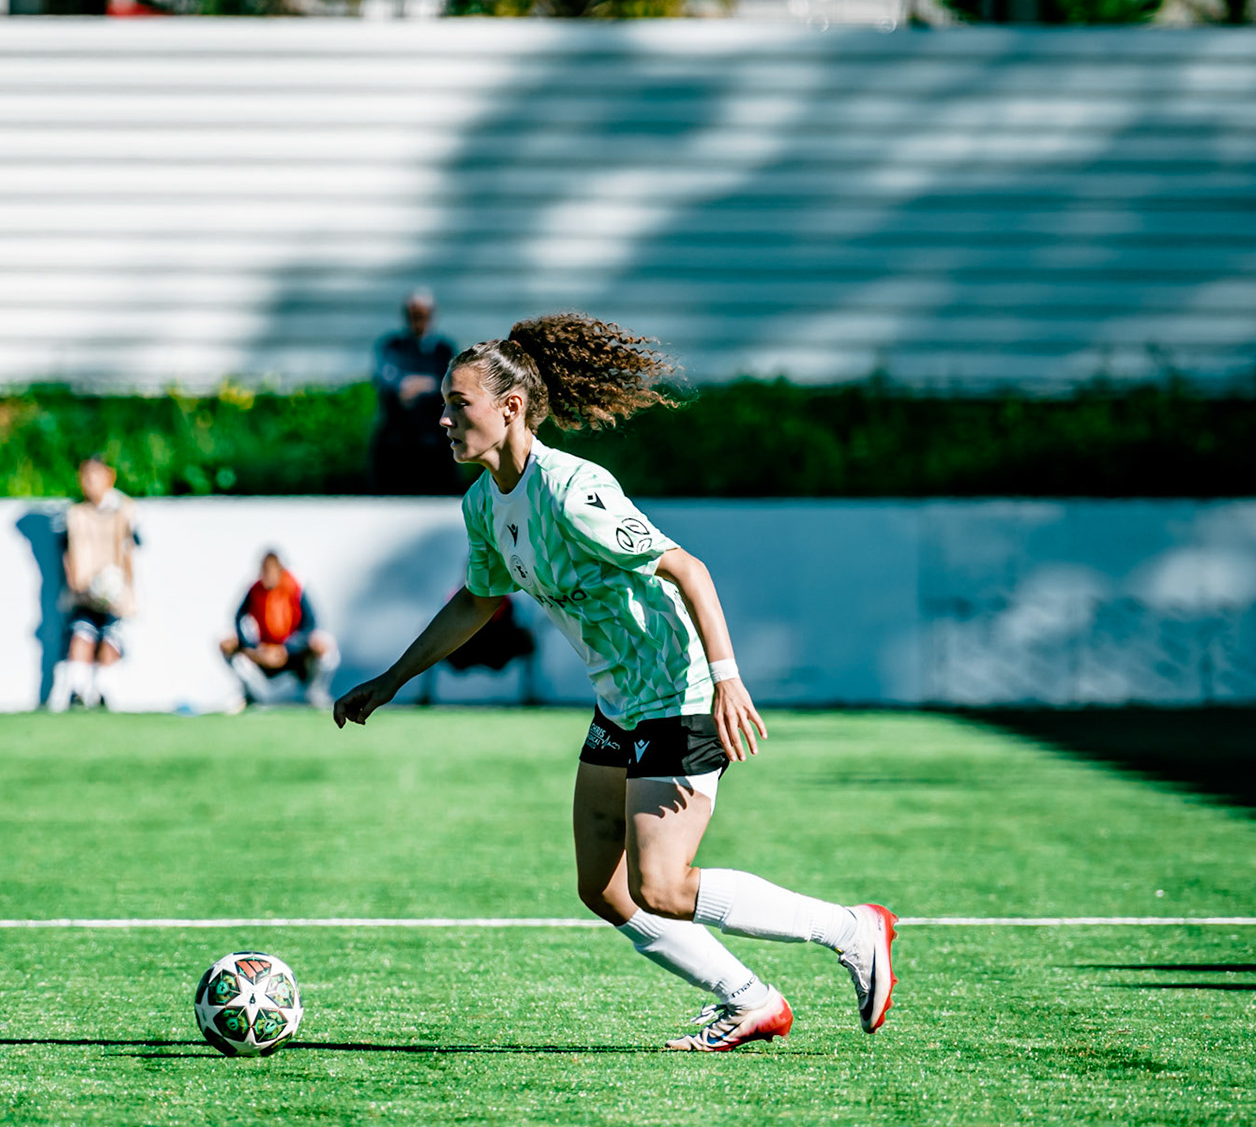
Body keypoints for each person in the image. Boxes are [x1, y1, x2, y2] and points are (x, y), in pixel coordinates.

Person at [334, 313, 898, 1053]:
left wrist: (727, 680)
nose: (442, 418)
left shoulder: (573, 490)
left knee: (661, 885)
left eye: (457, 403)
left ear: (510, 407)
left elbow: (689, 569)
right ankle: (751, 999)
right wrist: (391, 680)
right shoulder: (482, 503)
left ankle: (851, 929)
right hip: (621, 701)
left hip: (678, 689)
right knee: (602, 886)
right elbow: (477, 600)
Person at [49, 455, 139, 712]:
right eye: (85, 476)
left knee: (111, 639)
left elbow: (130, 550)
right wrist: (77, 585)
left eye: (95, 475)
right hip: (84, 594)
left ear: (109, 476)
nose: (89, 482)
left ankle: (103, 693)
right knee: (81, 635)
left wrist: (125, 589)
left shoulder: (124, 511)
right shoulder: (75, 515)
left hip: (116, 595)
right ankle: (77, 691)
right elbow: (67, 554)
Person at [220, 550, 339, 709]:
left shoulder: (296, 585)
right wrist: (253, 648)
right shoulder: (254, 588)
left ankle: (315, 692)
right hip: (263, 652)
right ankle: (249, 694)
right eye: (264, 570)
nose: (267, 575)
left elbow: (310, 623)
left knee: (324, 644)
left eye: (271, 570)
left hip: (291, 653)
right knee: (226, 643)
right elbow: (238, 618)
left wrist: (287, 649)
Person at [370, 288, 459, 495]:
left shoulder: (443, 349)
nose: (417, 320)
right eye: (412, 315)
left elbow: (449, 381)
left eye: (421, 315)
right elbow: (384, 378)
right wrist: (416, 384)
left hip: (433, 440)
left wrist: (413, 385)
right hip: (397, 440)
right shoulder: (392, 346)